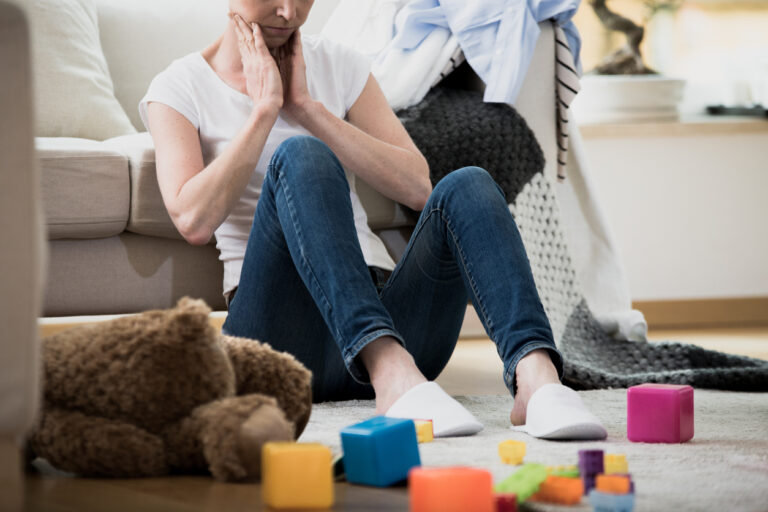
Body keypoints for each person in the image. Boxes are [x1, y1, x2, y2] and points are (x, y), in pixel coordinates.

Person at [140, 0, 605, 439]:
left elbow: (418, 185)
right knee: (301, 155)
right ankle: (388, 370)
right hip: (276, 342)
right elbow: (193, 219)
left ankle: (537, 378)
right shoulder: (179, 86)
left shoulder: (339, 64)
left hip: (391, 315)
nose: (289, 12)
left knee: (468, 182)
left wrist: (309, 110)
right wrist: (265, 111)